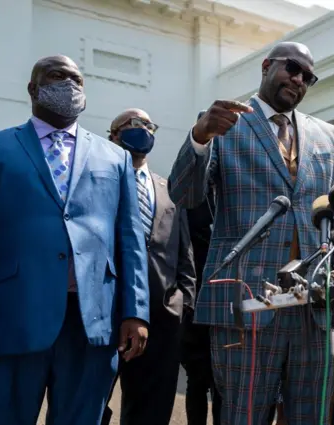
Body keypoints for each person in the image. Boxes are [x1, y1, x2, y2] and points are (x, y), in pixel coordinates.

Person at [168, 41, 334, 424]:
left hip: (315, 303)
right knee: (244, 415)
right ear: (266, 65)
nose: (299, 79)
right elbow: (184, 195)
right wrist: (200, 137)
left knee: (312, 416)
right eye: (292, 68)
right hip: (246, 299)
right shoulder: (225, 122)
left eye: (308, 76)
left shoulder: (328, 135)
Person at [0, 55, 149, 425]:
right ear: (33, 88)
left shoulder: (116, 158)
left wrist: (135, 311)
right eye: (57, 76)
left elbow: (130, 239)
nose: (70, 85)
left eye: (77, 79)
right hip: (11, 319)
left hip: (93, 321)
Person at [101, 108, 196, 425]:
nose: (142, 129)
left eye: (148, 125)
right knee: (90, 406)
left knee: (151, 413)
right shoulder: (96, 183)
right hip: (104, 313)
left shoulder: (171, 189)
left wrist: (184, 305)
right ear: (113, 135)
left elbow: (185, 255)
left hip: (162, 320)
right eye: (133, 123)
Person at [181, 187, 223, 425]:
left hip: (227, 301)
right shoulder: (193, 198)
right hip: (196, 302)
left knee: (222, 383)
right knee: (196, 379)